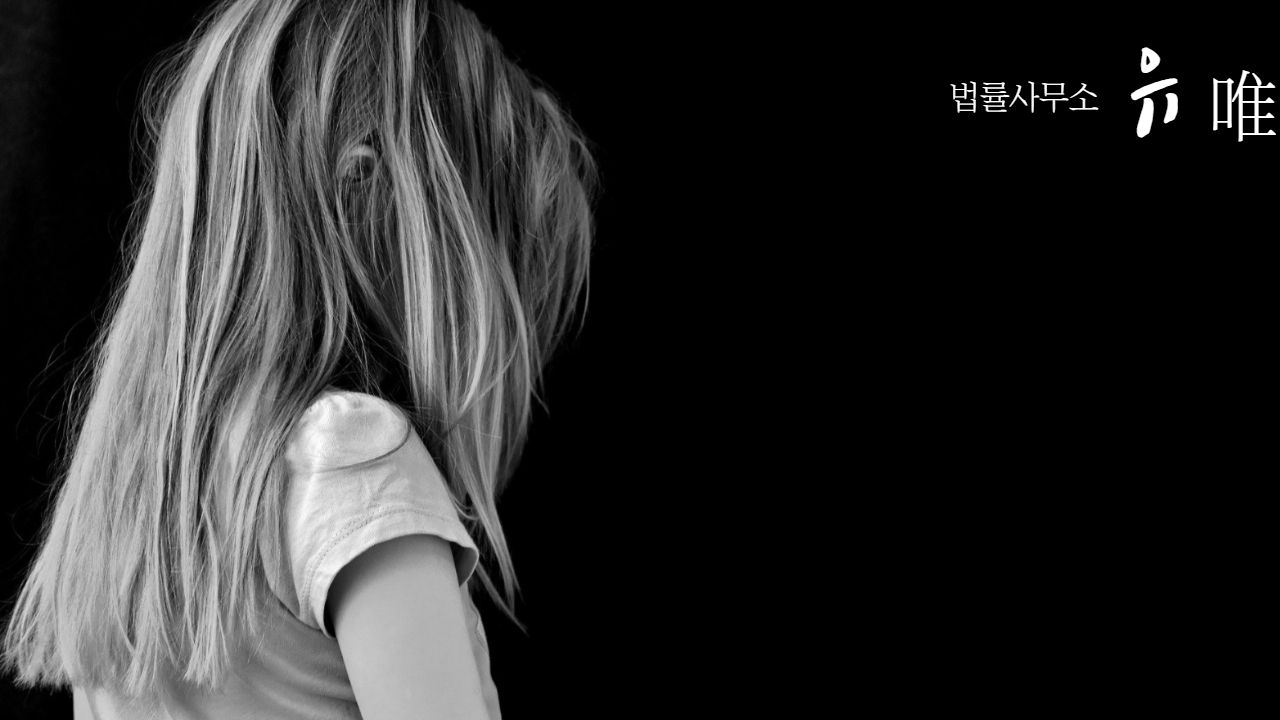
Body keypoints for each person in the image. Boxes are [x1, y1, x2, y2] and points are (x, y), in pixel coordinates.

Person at [1, 0, 597, 717]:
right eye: (490, 247)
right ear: (364, 187)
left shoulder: (137, 487)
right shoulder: (351, 455)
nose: (503, 324)